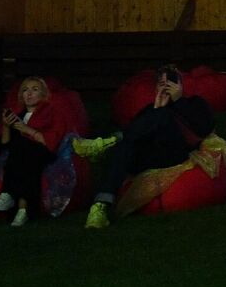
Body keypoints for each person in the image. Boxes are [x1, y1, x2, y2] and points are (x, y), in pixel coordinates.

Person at [75, 66, 216, 230]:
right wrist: (155, 109)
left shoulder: (194, 103)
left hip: (176, 152)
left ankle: (103, 144)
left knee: (160, 117)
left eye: (170, 82)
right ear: (156, 88)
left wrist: (178, 101)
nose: (166, 86)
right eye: (162, 83)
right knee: (125, 146)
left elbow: (204, 127)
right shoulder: (149, 110)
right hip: (149, 156)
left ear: (180, 85)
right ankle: (100, 207)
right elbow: (133, 136)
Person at [0, 76, 63, 227]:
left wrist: (25, 129)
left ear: (43, 94)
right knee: (23, 160)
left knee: (24, 151)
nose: (29, 93)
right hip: (20, 155)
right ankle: (22, 210)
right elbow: (5, 144)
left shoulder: (51, 113)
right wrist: (7, 126)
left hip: (43, 152)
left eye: (35, 89)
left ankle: (8, 193)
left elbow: (50, 139)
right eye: (25, 90)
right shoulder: (18, 116)